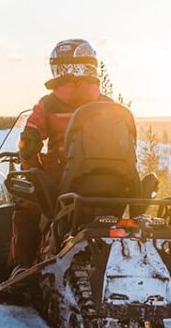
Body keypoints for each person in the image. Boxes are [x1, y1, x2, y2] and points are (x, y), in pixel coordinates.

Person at [10, 39, 111, 270]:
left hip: (63, 179)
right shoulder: (109, 106)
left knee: (26, 205)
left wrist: (31, 168)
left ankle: (23, 266)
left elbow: (29, 142)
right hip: (112, 183)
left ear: (62, 68)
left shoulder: (48, 104)